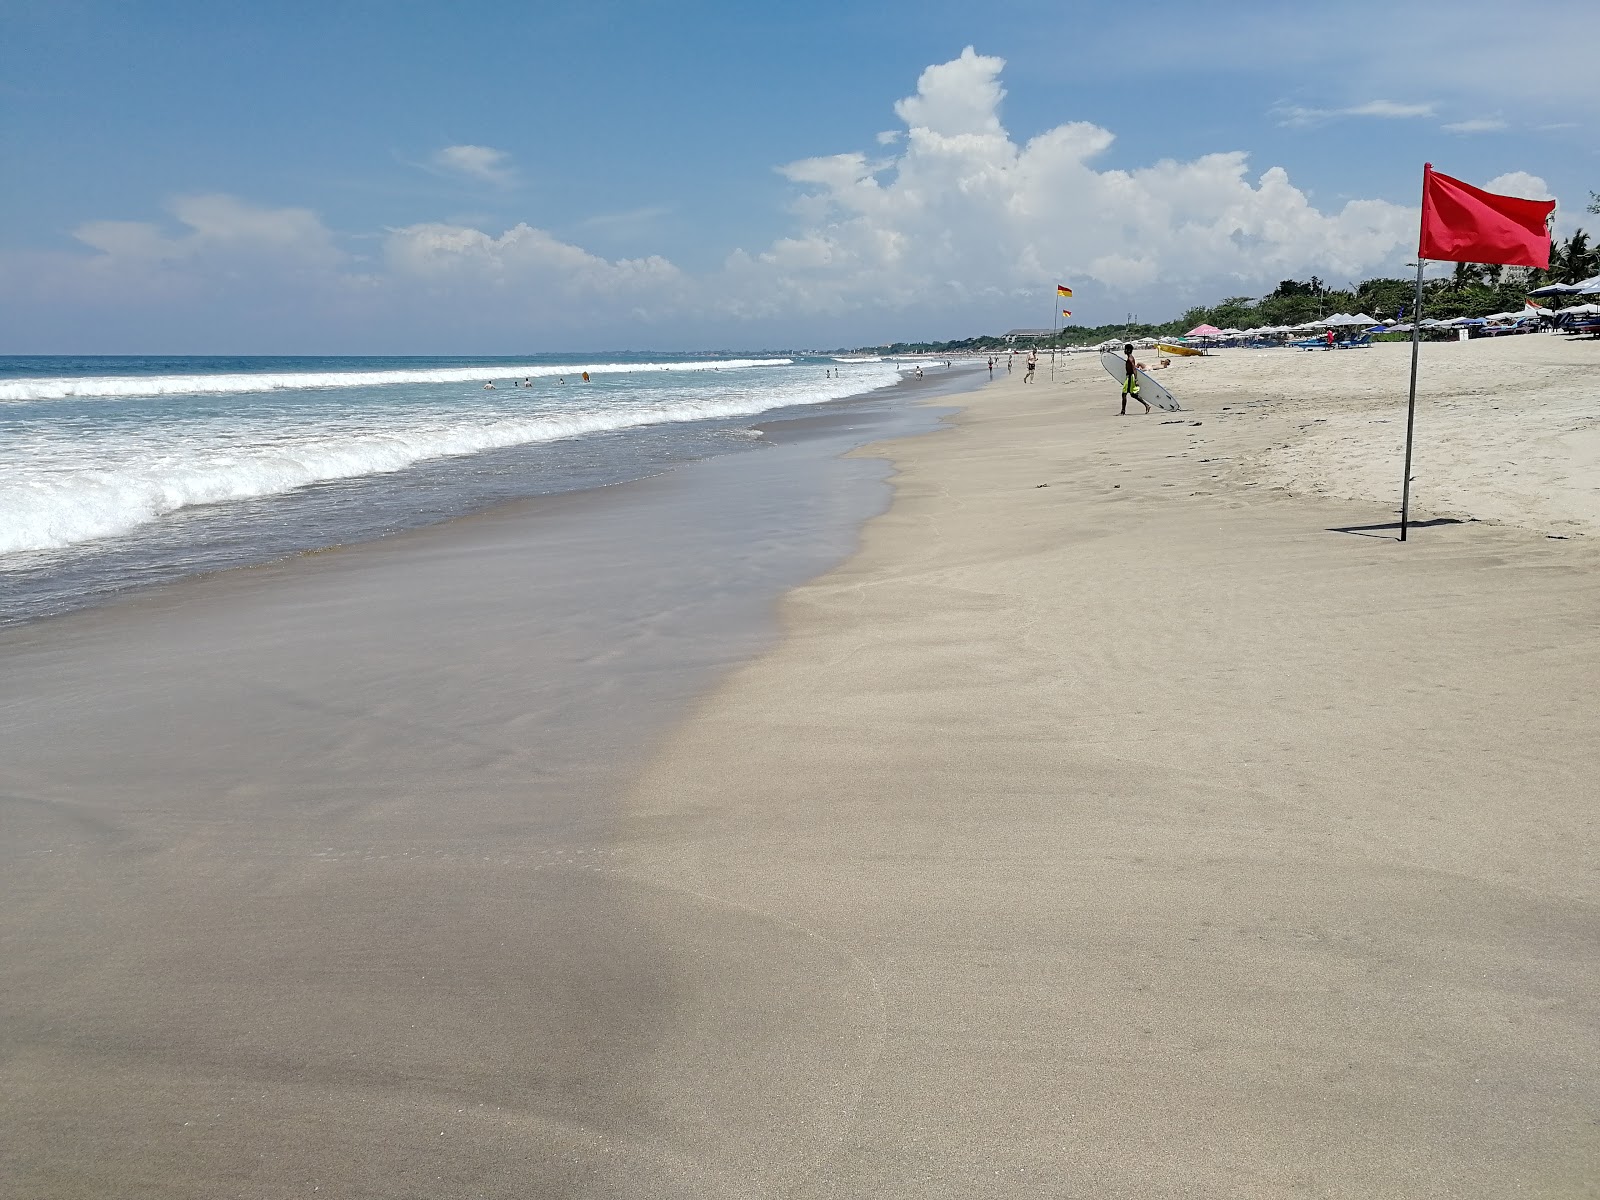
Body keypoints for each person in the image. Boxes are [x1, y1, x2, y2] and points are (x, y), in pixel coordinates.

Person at [1120, 343, 1152, 415]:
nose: (1124, 351)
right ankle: (1146, 405)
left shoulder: (1130, 359)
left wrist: (1136, 380)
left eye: (1125, 349)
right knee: (1132, 395)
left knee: (1124, 394)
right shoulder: (1130, 358)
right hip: (1129, 377)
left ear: (1128, 350)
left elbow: (1134, 369)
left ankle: (1123, 411)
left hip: (1131, 378)